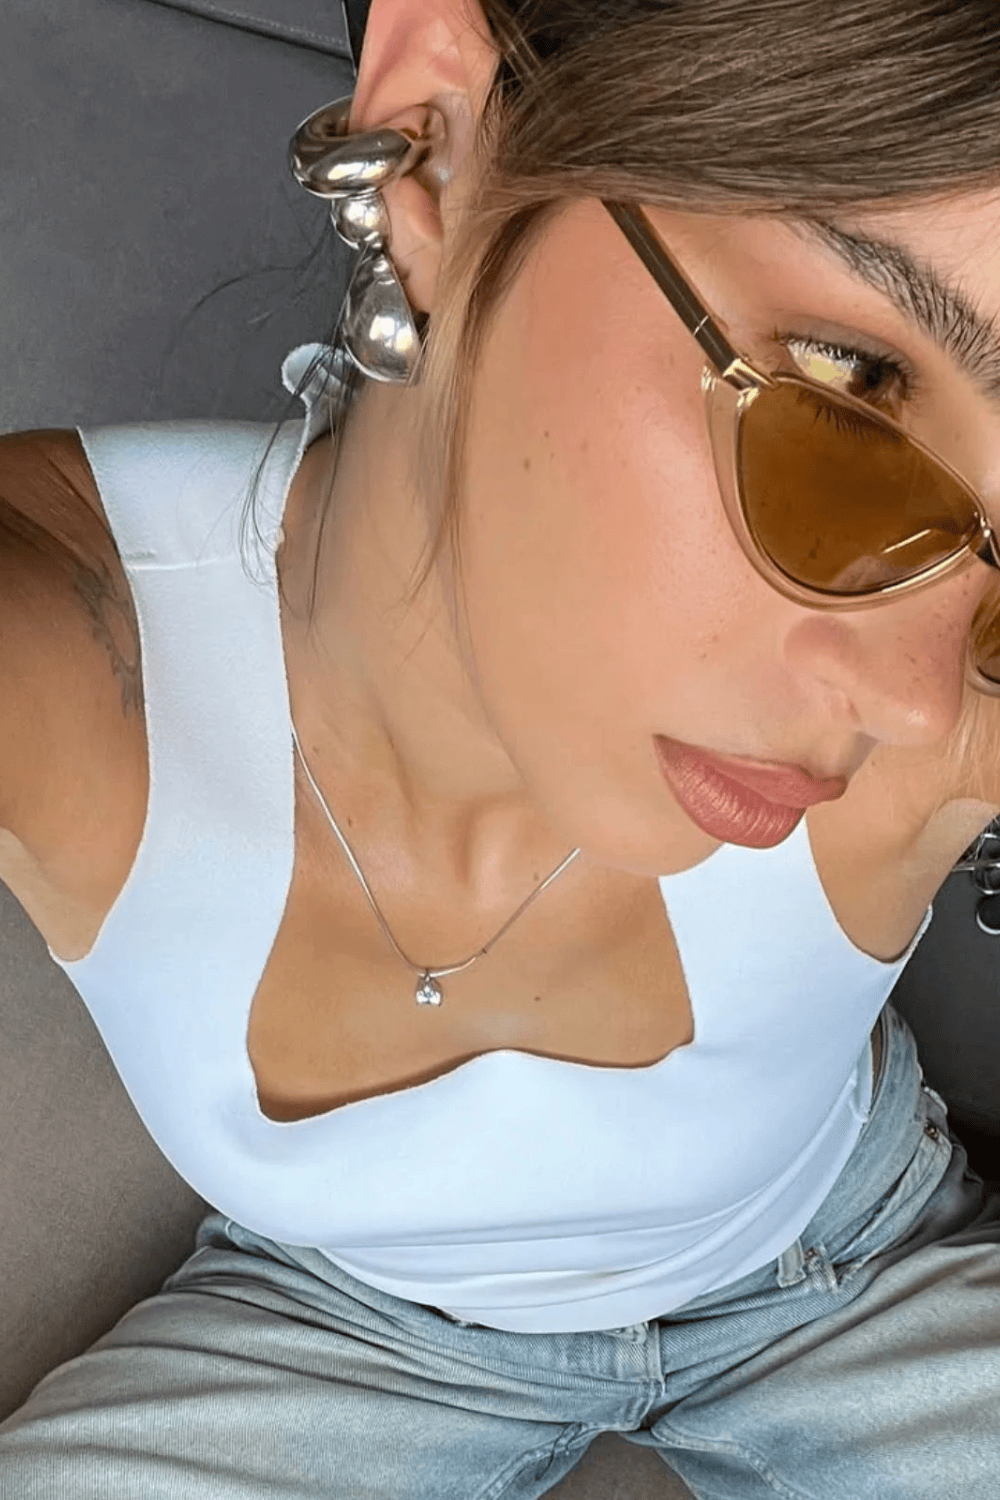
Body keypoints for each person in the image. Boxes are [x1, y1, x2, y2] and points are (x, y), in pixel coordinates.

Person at [2, 0, 1000, 1493]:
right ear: (441, 146)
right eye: (848, 393)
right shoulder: (69, 644)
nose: (917, 703)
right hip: (348, 1333)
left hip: (850, 1277)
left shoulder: (956, 692)